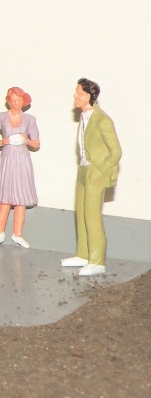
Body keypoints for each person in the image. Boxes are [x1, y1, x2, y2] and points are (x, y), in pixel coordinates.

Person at [62, 78, 122, 276]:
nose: (75, 96)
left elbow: (116, 152)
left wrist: (100, 170)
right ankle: (83, 254)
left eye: (79, 93)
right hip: (83, 170)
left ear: (90, 96)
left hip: (96, 173)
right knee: (81, 213)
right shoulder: (84, 116)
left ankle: (97, 261)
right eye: (76, 92)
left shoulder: (103, 120)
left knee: (93, 216)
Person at [0, 87, 40, 248]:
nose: (16, 103)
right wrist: (4, 141)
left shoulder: (30, 119)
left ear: (24, 101)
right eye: (13, 100)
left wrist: (26, 139)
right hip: (7, 159)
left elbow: (36, 143)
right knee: (4, 199)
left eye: (19, 100)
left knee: (21, 201)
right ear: (8, 101)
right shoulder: (0, 117)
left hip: (22, 160)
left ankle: (18, 234)